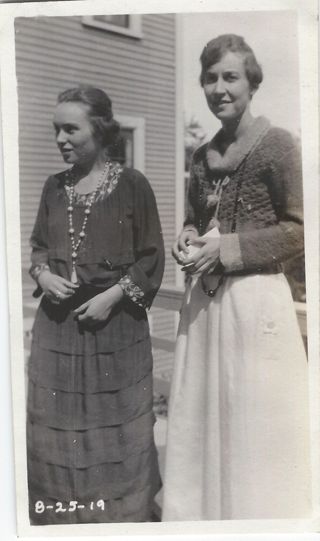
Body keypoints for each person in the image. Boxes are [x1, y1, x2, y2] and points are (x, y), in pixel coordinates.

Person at [163, 34, 311, 521]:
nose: (219, 88)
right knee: (203, 416)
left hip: (255, 306)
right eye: (210, 78)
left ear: (252, 84)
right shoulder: (202, 157)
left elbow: (299, 230)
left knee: (253, 424)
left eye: (231, 77)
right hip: (205, 307)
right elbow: (193, 216)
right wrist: (186, 239)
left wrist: (228, 250)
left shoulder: (278, 146)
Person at [27, 86, 165, 524]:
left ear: (101, 129)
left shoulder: (132, 185)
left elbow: (151, 257)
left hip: (115, 328)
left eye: (71, 128)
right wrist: (44, 276)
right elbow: (38, 249)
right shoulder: (53, 187)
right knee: (60, 427)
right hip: (58, 328)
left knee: (117, 429)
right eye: (56, 130)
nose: (60, 139)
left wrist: (111, 296)